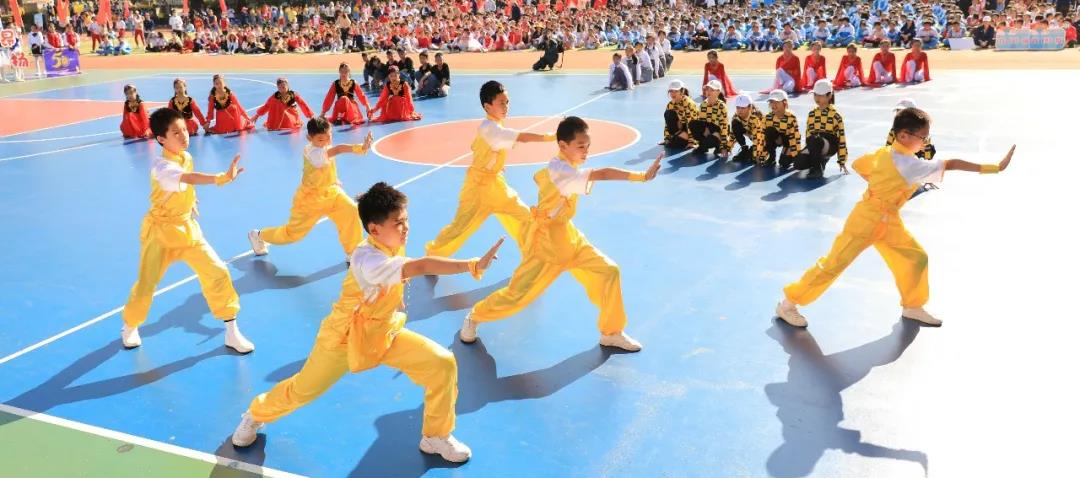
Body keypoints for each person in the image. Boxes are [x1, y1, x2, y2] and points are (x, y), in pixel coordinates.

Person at [233, 182, 506, 463]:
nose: (406, 228)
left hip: (382, 331)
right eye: (398, 223)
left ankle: (435, 436)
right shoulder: (367, 259)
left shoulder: (391, 243)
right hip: (344, 338)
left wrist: (392, 300)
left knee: (442, 363)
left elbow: (393, 280)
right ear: (374, 229)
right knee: (302, 390)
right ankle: (255, 415)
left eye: (406, 220)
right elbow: (422, 265)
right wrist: (472, 265)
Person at [776, 108, 1017, 328]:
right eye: (923, 137)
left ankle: (912, 306)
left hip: (888, 220)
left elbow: (860, 164)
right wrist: (994, 167)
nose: (925, 142)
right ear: (903, 135)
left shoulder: (885, 153)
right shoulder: (909, 165)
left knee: (915, 258)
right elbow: (951, 164)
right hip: (866, 221)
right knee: (834, 264)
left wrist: (880, 187)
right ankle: (787, 305)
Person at [460, 116, 663, 352]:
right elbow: (602, 174)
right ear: (563, 145)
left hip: (569, 237)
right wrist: (641, 176)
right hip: (546, 247)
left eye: (588, 145)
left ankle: (611, 332)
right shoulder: (563, 172)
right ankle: (474, 317)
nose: (586, 151)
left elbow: (549, 181)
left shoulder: (563, 164)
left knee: (609, 271)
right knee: (517, 296)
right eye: (581, 146)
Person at [121, 108, 254, 353]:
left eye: (184, 129)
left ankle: (231, 331)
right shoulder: (162, 167)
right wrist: (222, 177)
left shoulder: (185, 156)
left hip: (187, 230)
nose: (184, 135)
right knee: (146, 284)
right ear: (161, 139)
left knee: (218, 271)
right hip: (160, 235)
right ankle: (130, 326)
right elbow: (188, 178)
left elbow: (185, 186)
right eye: (176, 132)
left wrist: (190, 201)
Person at [425, 80, 555, 258]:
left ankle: (536, 250)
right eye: (501, 103)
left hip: (495, 184)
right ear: (487, 106)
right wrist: (550, 137)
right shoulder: (490, 129)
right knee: (460, 227)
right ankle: (432, 257)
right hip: (477, 189)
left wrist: (496, 166)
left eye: (507, 102)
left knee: (524, 215)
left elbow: (483, 149)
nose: (506, 107)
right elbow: (521, 138)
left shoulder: (495, 125)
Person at [248, 118, 372, 260]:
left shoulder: (323, 146)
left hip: (331, 192)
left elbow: (324, 168)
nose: (326, 141)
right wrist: (361, 147)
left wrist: (333, 179)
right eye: (321, 139)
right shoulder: (313, 152)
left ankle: (353, 253)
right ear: (309, 138)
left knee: (350, 211)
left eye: (329, 136)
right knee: (292, 234)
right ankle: (258, 235)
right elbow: (338, 149)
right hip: (310, 200)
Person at [796, 80, 848, 178]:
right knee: (798, 163)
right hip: (815, 143)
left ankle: (817, 170)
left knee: (816, 139)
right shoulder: (811, 114)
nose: (817, 98)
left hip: (829, 145)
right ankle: (819, 161)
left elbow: (841, 139)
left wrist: (842, 160)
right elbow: (808, 134)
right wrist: (807, 150)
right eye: (815, 95)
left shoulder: (836, 115)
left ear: (829, 96)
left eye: (820, 95)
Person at [689, 80, 732, 156]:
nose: (708, 92)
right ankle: (703, 145)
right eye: (707, 89)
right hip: (708, 130)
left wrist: (724, 146)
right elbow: (701, 123)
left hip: (719, 131)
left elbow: (724, 127)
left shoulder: (722, 106)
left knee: (713, 135)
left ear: (718, 92)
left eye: (712, 90)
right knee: (693, 123)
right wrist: (707, 130)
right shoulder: (703, 104)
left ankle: (718, 145)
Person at [763, 89, 801, 168]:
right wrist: (762, 155)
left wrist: (796, 156)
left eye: (777, 102)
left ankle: (791, 154)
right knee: (769, 131)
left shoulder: (791, 118)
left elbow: (795, 137)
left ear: (784, 103)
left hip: (788, 141)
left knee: (784, 162)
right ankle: (772, 157)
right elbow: (762, 136)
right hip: (776, 139)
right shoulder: (768, 117)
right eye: (771, 102)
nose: (773, 105)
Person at [730, 94, 768, 164]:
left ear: (750, 107)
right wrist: (727, 148)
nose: (740, 110)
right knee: (735, 123)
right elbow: (733, 133)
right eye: (738, 107)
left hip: (765, 140)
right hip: (754, 137)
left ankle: (754, 152)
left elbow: (758, 138)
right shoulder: (736, 117)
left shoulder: (756, 118)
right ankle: (744, 148)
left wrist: (757, 155)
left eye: (743, 108)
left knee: (753, 159)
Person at [662, 79, 698, 150]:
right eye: (671, 91)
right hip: (682, 128)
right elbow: (667, 123)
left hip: (693, 129)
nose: (673, 94)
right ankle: (677, 137)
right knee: (668, 114)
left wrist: (691, 142)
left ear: (682, 91)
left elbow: (691, 123)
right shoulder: (670, 104)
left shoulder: (689, 103)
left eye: (676, 91)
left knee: (676, 143)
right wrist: (667, 138)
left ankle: (688, 139)